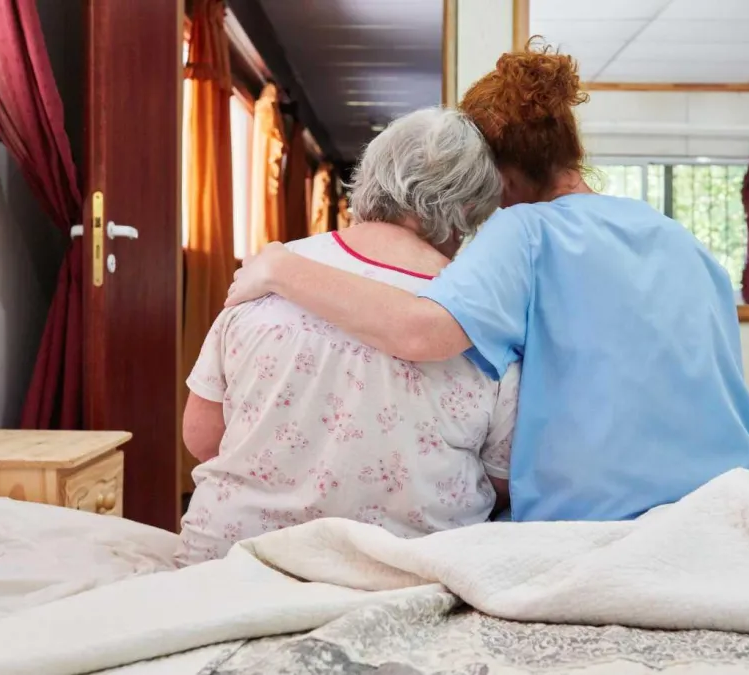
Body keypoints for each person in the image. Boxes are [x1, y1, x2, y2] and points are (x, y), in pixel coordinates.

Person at [226, 45, 749, 523]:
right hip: (721, 505)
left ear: (499, 177)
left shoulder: (527, 229)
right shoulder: (678, 238)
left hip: (595, 522)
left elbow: (421, 333)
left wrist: (281, 267)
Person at [176, 107, 519, 566]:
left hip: (236, 560)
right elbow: (501, 480)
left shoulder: (262, 276)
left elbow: (202, 436)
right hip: (407, 572)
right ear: (468, 211)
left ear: (368, 177)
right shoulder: (480, 316)